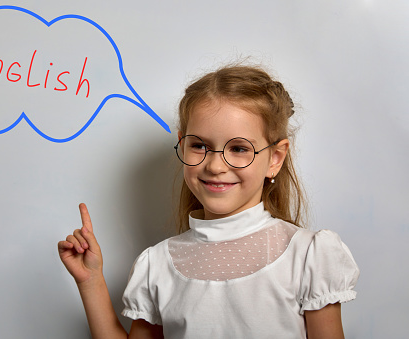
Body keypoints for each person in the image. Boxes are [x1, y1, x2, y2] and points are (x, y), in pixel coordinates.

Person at [58, 64, 360, 338]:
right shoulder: (157, 265)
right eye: (199, 145)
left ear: (275, 159)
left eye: (239, 149)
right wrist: (92, 282)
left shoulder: (307, 256)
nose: (215, 166)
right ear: (182, 143)